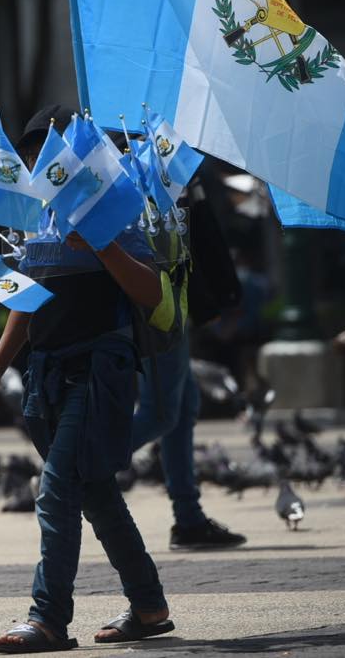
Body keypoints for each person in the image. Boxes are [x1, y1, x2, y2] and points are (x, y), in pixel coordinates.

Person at [0, 105, 173, 652]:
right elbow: (28, 299)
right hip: (46, 374)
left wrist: (102, 246)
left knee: (57, 493)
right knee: (95, 493)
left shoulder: (115, 207)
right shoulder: (37, 218)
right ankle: (149, 605)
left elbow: (151, 294)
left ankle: (48, 618)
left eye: (48, 155)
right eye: (33, 157)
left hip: (97, 369)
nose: (39, 166)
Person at [130, 196, 247, 550]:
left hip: (171, 287)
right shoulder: (139, 153)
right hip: (158, 294)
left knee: (181, 408)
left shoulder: (163, 152)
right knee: (161, 413)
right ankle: (66, 471)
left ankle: (189, 519)